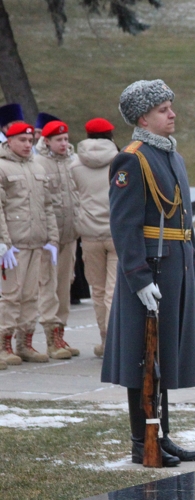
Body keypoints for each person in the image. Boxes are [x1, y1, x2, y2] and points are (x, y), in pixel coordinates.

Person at [101, 79, 195, 467]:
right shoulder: (133, 158)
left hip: (174, 262)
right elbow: (124, 226)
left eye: (170, 106)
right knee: (142, 357)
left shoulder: (170, 154)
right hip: (150, 269)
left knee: (163, 356)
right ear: (143, 117)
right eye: (162, 109)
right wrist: (139, 278)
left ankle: (161, 434)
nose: (172, 114)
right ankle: (142, 441)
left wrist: (192, 260)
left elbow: (184, 216)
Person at [0, 122, 59, 368]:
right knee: (10, 296)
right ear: (9, 141)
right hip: (13, 245)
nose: (27, 145)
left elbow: (47, 206)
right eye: (22, 141)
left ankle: (25, 343)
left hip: (36, 242)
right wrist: (3, 242)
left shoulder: (37, 166)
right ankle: (4, 344)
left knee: (31, 296)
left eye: (29, 141)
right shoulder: (2, 167)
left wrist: (52, 238)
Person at [69, 118, 119, 357]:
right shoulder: (121, 160)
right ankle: (114, 342)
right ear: (111, 134)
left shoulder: (75, 164)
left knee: (97, 291)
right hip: (116, 232)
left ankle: (104, 339)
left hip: (89, 234)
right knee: (113, 290)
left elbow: (72, 197)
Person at [34, 120, 81, 359]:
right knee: (48, 288)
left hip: (70, 234)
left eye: (65, 139)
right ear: (47, 141)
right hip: (49, 238)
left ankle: (60, 335)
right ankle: (50, 338)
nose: (63, 144)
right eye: (58, 140)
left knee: (64, 287)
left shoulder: (72, 162)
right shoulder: (39, 163)